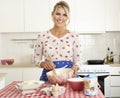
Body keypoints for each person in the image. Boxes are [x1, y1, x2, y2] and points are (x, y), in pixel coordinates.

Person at [34, 1, 81, 81]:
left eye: (64, 15)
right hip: (48, 78)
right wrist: (43, 63)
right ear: (52, 14)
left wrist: (76, 66)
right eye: (58, 14)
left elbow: (78, 61)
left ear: (67, 17)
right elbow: (36, 59)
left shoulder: (74, 36)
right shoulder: (42, 36)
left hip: (69, 78)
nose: (60, 18)